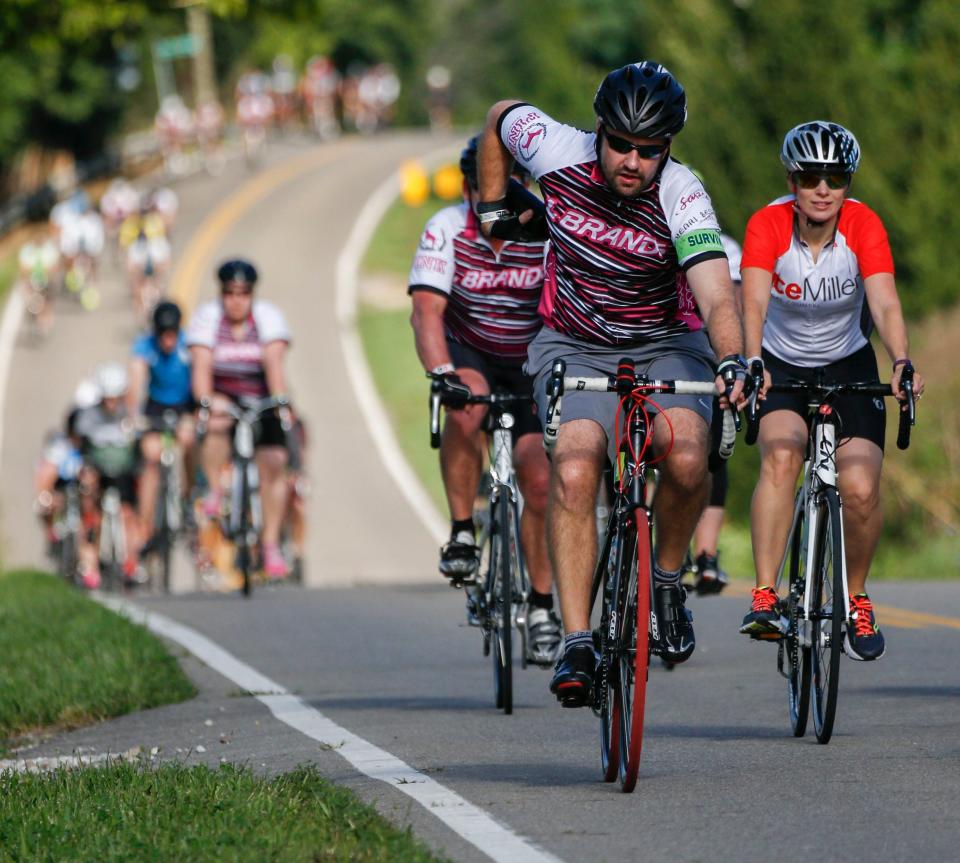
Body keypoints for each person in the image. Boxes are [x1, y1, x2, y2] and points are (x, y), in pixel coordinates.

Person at [477, 61, 747, 705]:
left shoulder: (683, 194)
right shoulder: (554, 147)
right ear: (597, 131)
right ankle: (576, 638)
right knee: (573, 468)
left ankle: (668, 579)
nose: (632, 160)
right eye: (620, 143)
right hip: (572, 342)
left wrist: (733, 359)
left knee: (686, 454)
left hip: (665, 342)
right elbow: (497, 116)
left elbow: (714, 294)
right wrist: (492, 207)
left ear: (668, 149)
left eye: (649, 150)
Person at [738, 121, 924, 660]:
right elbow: (752, 302)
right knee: (781, 454)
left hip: (848, 364)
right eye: (811, 177)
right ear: (792, 180)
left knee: (861, 486)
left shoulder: (863, 224)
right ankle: (766, 594)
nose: (823, 189)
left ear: (847, 183)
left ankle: (857, 597)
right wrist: (752, 359)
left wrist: (903, 360)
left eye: (836, 178)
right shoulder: (768, 224)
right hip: (781, 363)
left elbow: (885, 303)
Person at [408, 136, 560, 664]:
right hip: (468, 344)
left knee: (539, 480)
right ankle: (461, 531)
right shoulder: (446, 228)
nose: (490, 194)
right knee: (467, 403)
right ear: (469, 186)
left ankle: (542, 605)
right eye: (480, 186)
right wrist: (440, 371)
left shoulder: (544, 230)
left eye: (504, 184)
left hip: (528, 357)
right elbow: (427, 311)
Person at [186, 259, 293, 579]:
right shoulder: (207, 318)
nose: (237, 300)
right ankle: (217, 491)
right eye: (230, 293)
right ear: (221, 294)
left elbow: (274, 364)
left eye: (243, 294)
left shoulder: (267, 318)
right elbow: (201, 367)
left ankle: (270, 543)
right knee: (214, 421)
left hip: (259, 398)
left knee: (275, 462)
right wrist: (206, 401)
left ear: (251, 295)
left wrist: (279, 403)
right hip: (224, 398)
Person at [684, 232, 744, 595]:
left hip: (709, 344)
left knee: (713, 449)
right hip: (661, 338)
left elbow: (732, 305)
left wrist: (733, 364)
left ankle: (705, 554)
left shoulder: (725, 246)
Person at [128, 301, 195, 556]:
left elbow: (200, 372)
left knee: (189, 440)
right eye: (163, 335)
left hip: (183, 405)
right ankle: (146, 524)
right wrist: (133, 415)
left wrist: (198, 410)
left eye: (172, 335)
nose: (168, 341)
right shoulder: (145, 345)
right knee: (151, 456)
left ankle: (189, 497)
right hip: (155, 406)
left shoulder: (187, 345)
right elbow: (136, 378)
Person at [75, 363, 143, 588]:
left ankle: (131, 562)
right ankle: (89, 561)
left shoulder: (131, 414)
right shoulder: (88, 415)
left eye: (115, 398)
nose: (111, 403)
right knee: (87, 491)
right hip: (98, 472)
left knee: (128, 513)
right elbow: (79, 444)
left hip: (123, 471)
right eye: (107, 398)